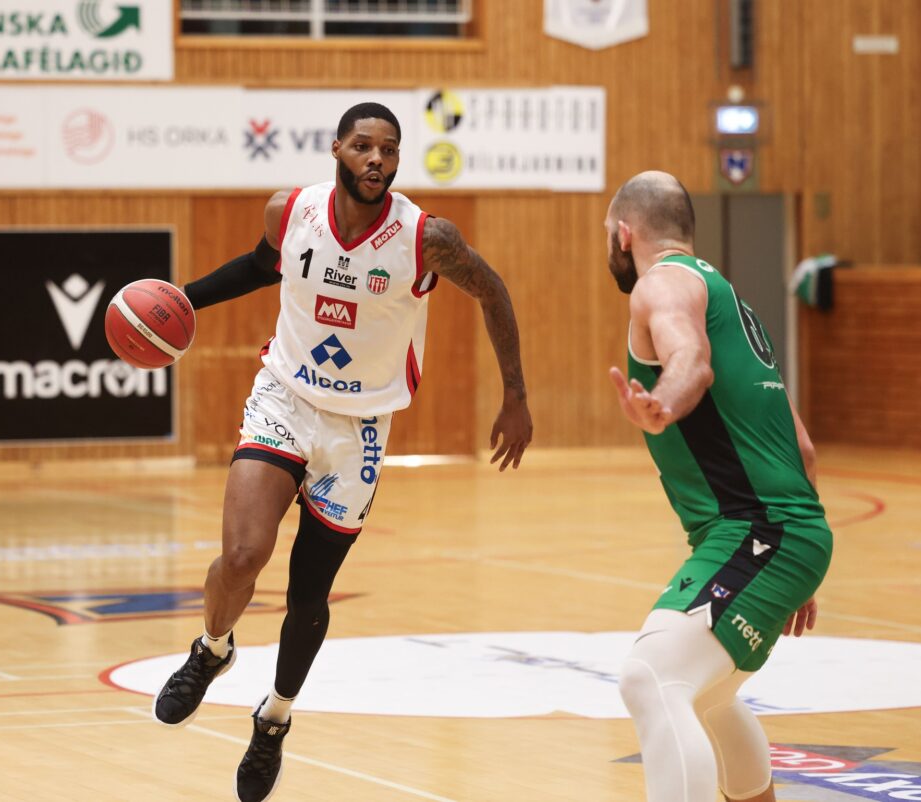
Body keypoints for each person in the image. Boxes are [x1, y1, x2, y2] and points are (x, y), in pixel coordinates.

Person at [152, 102, 532, 802]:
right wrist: (185, 300)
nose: (376, 159)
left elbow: (494, 292)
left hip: (360, 427)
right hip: (284, 399)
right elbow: (261, 266)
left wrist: (515, 395)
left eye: (388, 149)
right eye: (362, 146)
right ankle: (212, 650)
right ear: (336, 149)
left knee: (308, 596)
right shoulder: (291, 211)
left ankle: (274, 718)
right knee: (242, 555)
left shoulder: (426, 238)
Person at [604, 171, 833, 802]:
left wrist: (664, 403)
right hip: (785, 534)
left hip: (757, 531)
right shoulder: (728, 298)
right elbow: (803, 448)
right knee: (708, 696)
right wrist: (795, 571)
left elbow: (691, 362)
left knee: (650, 678)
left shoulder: (660, 284)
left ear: (624, 234)